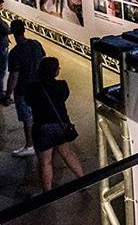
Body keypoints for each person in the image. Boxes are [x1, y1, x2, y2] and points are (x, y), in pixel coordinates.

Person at [26, 57, 85, 191]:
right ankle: (83, 181)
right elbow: (64, 97)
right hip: (60, 125)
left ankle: (48, 191)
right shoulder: (62, 85)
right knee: (68, 154)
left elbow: (29, 102)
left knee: (45, 162)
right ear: (55, 72)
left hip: (42, 127)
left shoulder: (33, 88)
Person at [6, 20, 46, 157]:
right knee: (38, 116)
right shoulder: (36, 44)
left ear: (13, 32)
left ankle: (30, 145)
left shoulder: (15, 53)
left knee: (27, 120)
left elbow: (14, 76)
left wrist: (8, 94)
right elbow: (43, 61)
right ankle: (41, 141)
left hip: (23, 90)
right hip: (39, 87)